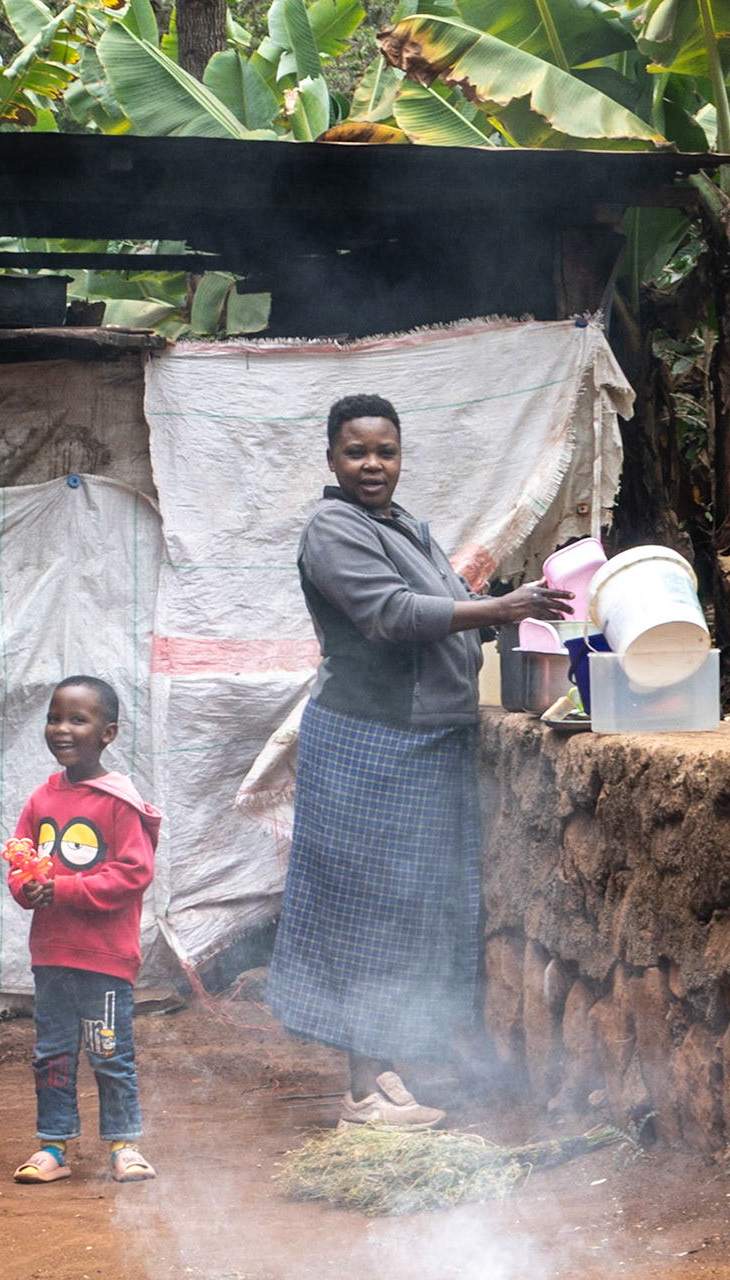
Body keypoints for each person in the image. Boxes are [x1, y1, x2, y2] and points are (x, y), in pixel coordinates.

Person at [266, 394, 571, 1130]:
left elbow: (439, 608)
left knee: (408, 911)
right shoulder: (333, 528)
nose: (373, 464)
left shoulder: (401, 525)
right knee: (364, 910)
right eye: (356, 452)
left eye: (386, 451)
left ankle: (392, 1070)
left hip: (420, 740)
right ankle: (361, 1091)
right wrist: (500, 609)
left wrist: (504, 626)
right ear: (331, 458)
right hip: (370, 741)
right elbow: (393, 616)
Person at [8, 677, 164, 1185]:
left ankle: (124, 1144)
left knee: (108, 1052)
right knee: (51, 1055)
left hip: (104, 957)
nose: (62, 729)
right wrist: (26, 888)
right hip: (52, 954)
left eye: (78, 719)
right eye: (55, 718)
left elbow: (134, 873)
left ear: (108, 733)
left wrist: (66, 889)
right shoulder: (40, 798)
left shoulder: (119, 802)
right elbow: (20, 863)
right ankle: (53, 1147)